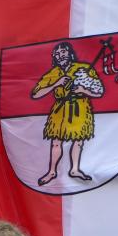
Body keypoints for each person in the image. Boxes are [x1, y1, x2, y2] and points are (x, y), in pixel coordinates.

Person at [31, 41, 104, 186]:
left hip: (80, 107)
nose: (60, 55)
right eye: (57, 54)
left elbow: (98, 91)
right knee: (56, 142)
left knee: (78, 140)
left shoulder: (83, 68)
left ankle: (75, 169)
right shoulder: (53, 73)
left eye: (63, 52)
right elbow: (36, 94)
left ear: (70, 53)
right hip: (60, 109)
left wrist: (83, 90)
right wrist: (56, 83)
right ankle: (52, 171)